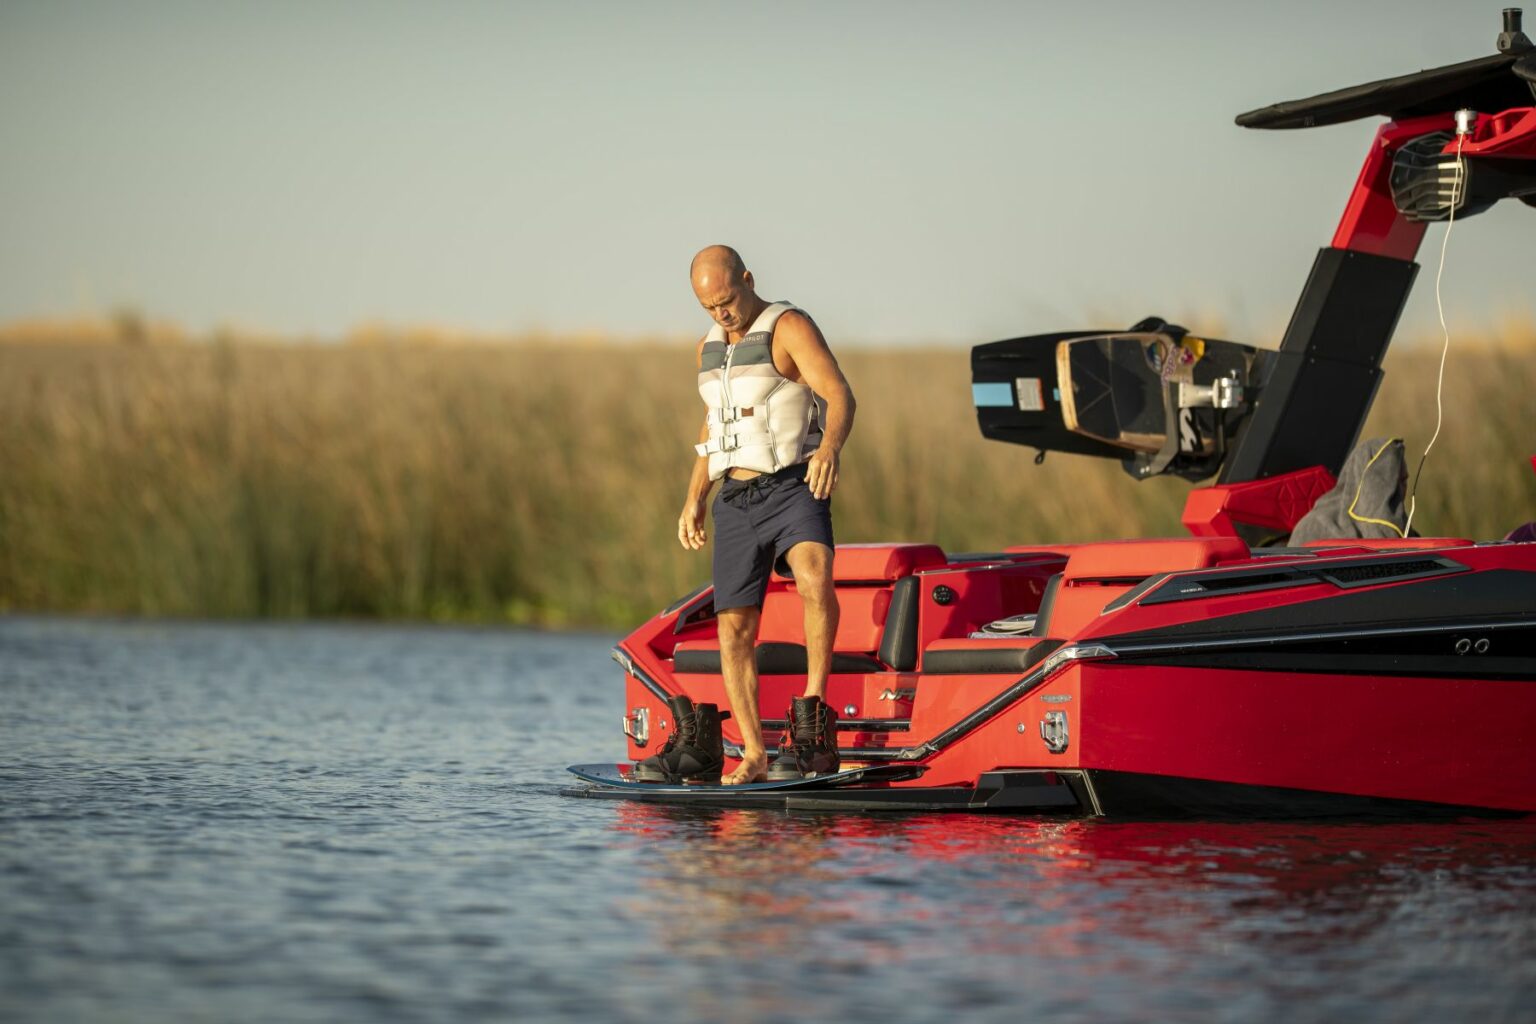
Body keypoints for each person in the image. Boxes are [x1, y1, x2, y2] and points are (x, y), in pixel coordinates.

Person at [676, 244, 856, 786]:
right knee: (733, 629)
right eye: (709, 307)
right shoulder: (710, 347)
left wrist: (830, 450)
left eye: (727, 301)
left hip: (793, 485)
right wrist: (695, 496)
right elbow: (715, 426)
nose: (721, 314)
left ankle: (813, 719)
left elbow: (839, 394)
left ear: (747, 279)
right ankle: (753, 753)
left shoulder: (789, 326)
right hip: (734, 496)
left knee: (814, 577)